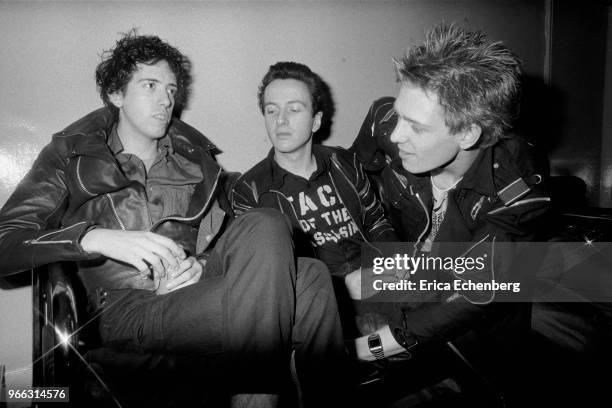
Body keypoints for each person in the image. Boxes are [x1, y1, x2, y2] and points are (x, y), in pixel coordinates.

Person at [0, 31, 344, 407]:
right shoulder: (69, 155)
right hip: (123, 306)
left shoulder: (195, 161)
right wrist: (95, 237)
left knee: (279, 238)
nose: (166, 100)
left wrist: (199, 263)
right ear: (117, 94)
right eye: (150, 85)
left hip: (191, 295)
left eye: (171, 88)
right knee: (308, 283)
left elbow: (234, 247)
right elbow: (5, 244)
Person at [349, 23, 551, 405]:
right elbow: (353, 177)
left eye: (416, 127)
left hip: (469, 325)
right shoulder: (384, 120)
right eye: (399, 115)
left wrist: (363, 351)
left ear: (467, 134)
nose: (395, 136)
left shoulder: (521, 193)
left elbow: (469, 300)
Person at [231, 61, 397, 337]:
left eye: (294, 109)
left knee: (474, 277)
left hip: (379, 274)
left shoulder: (344, 162)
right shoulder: (249, 190)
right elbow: (268, 279)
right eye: (271, 110)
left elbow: (377, 222)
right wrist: (343, 287)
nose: (280, 120)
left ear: (316, 120)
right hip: (320, 301)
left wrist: (393, 264)